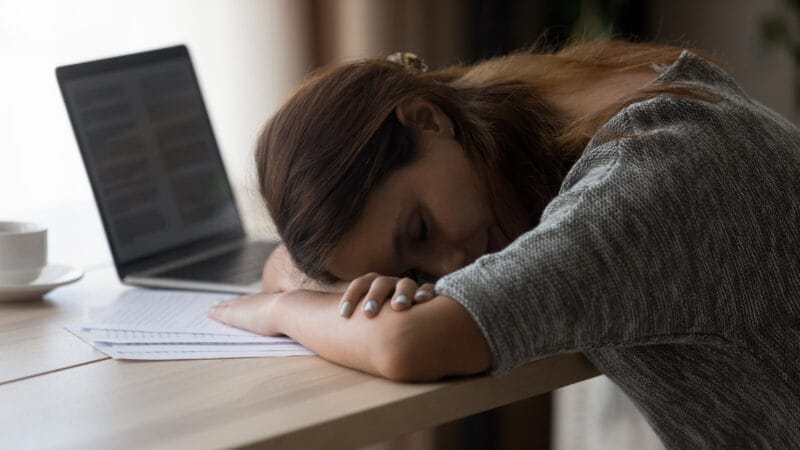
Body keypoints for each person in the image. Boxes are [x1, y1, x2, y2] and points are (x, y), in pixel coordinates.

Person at [208, 40, 800, 447]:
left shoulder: (649, 179)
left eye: (419, 228)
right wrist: (312, 279)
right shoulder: (579, 98)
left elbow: (409, 343)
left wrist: (281, 309)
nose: (448, 267)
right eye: (411, 269)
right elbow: (294, 264)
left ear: (425, 119)